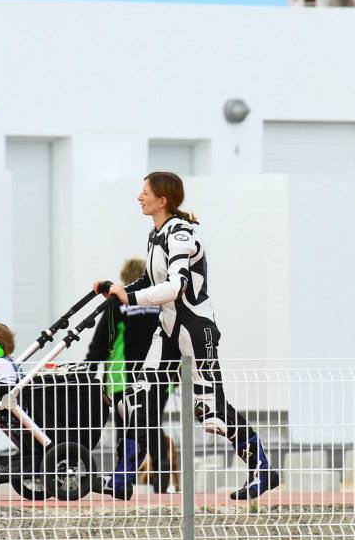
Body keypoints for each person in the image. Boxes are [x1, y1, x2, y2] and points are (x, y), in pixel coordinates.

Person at [94, 171, 280, 501]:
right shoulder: (156, 234)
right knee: (141, 401)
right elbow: (151, 280)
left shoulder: (181, 234)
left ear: (162, 200)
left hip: (194, 329)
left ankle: (263, 470)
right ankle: (123, 480)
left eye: (145, 192)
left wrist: (131, 298)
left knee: (211, 411)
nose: (139, 197)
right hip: (167, 329)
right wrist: (118, 289)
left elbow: (176, 286)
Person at [85, 257, 176, 492]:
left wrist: (89, 372)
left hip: (122, 378)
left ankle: (124, 477)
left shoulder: (118, 305)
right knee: (152, 423)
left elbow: (100, 343)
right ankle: (161, 468)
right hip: (159, 377)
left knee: (125, 426)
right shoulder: (161, 304)